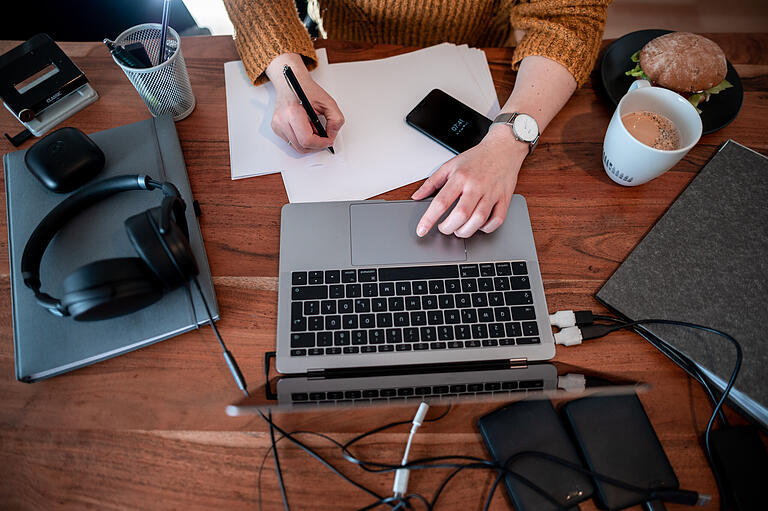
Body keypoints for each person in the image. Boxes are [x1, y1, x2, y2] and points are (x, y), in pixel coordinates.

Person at [223, 0, 611, 237]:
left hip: (486, 52)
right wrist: (286, 70)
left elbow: (569, 18)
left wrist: (509, 141)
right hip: (338, 43)